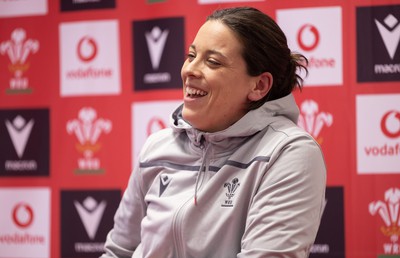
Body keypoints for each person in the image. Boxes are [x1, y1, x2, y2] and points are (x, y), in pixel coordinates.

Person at [101, 6, 326, 258]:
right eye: (191, 55)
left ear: (259, 85)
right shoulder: (157, 147)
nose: (189, 70)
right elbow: (118, 252)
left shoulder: (289, 152)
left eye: (213, 62)